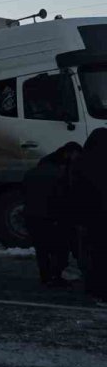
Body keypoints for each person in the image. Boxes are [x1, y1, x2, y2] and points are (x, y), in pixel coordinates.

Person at [23, 142, 83, 287]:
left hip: (32, 215)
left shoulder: (32, 172)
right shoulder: (60, 174)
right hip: (51, 216)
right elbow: (63, 197)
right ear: (69, 153)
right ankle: (56, 276)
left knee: (41, 248)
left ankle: (45, 276)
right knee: (60, 247)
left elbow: (25, 194)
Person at [72, 129, 107, 305]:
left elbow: (74, 191)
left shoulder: (82, 163)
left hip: (89, 217)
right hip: (101, 215)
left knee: (91, 253)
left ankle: (94, 287)